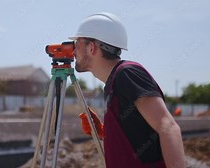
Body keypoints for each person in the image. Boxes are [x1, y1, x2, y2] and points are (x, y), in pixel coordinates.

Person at [69, 12, 185, 168]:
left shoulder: (127, 74)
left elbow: (168, 127)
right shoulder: (114, 82)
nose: (73, 50)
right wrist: (105, 132)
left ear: (91, 47)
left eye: (77, 43)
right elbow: (139, 135)